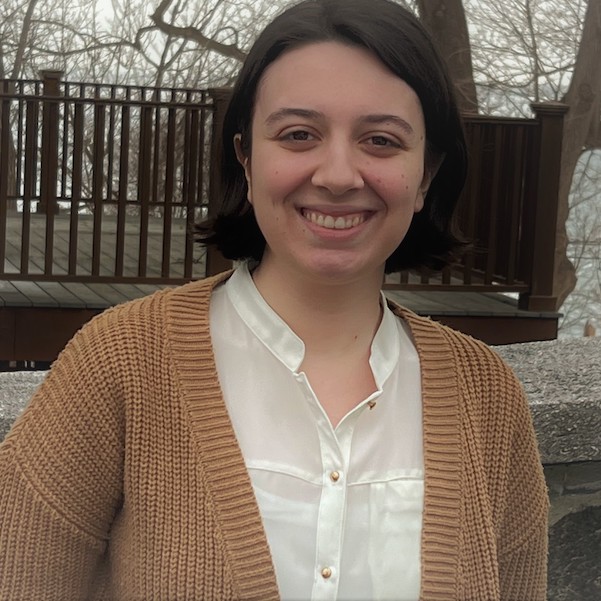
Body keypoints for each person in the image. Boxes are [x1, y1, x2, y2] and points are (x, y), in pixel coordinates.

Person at [0, 0, 548, 599]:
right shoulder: (122, 362)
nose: (338, 175)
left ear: (427, 175)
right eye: (298, 135)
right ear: (246, 156)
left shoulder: (488, 399)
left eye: (381, 140)